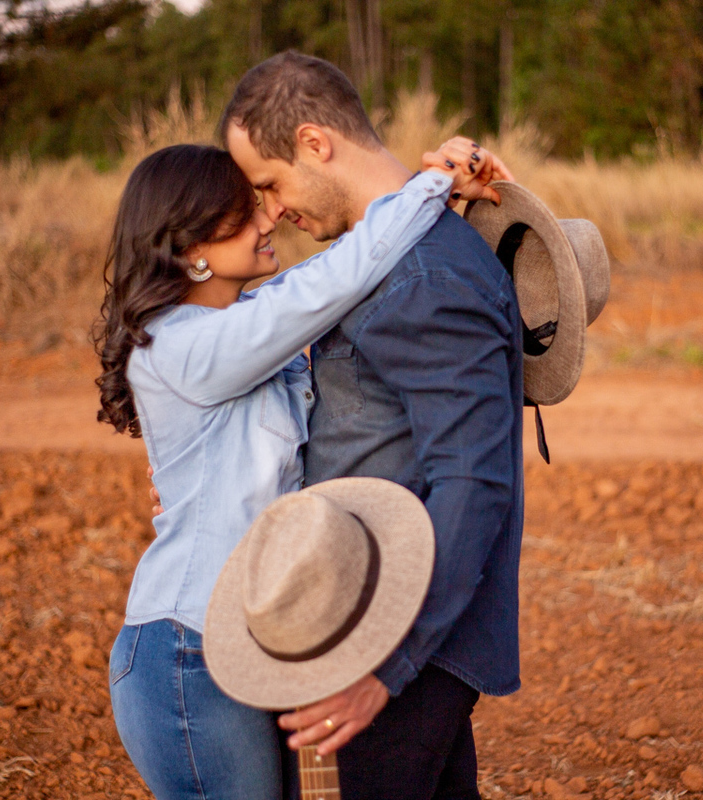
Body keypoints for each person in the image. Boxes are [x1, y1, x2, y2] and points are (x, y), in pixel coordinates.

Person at [94, 138, 509, 800]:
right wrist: (426, 186)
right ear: (187, 248)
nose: (267, 220)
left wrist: (435, 191)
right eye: (241, 213)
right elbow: (331, 281)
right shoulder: (183, 348)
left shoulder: (242, 325)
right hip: (186, 655)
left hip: (246, 638)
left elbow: (327, 278)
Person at [218, 52, 526, 800]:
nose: (271, 210)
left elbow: (474, 480)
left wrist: (384, 672)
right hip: (378, 624)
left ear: (316, 143)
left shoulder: (424, 277)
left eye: (270, 182)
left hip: (394, 645)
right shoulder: (387, 256)